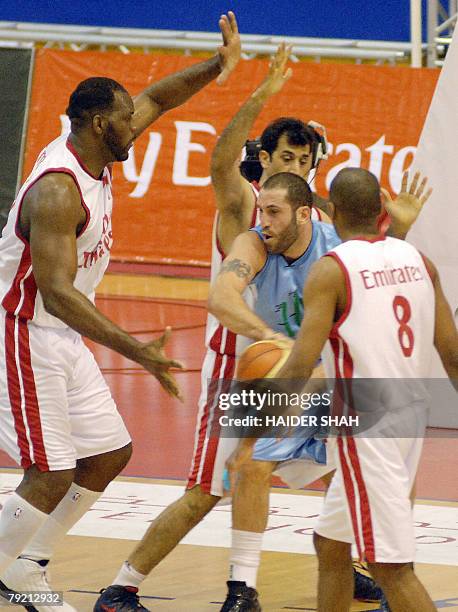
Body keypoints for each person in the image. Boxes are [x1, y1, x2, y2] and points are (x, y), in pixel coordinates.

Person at [0, 11, 241, 612]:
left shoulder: (101, 151)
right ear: (102, 123)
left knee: (108, 454)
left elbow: (160, 95)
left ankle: (26, 564)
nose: (139, 124)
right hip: (23, 329)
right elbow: (55, 292)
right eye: (128, 119)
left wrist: (218, 65)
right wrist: (137, 349)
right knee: (50, 473)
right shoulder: (58, 189)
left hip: (60, 334)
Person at [93, 45, 341, 612]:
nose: (294, 169)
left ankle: (331, 567)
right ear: (266, 156)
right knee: (207, 490)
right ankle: (121, 586)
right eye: (284, 157)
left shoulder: (315, 219)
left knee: (343, 465)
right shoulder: (244, 205)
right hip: (240, 369)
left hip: (294, 374)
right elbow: (218, 161)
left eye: (304, 161)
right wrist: (261, 95)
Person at [226, 167, 458, 612]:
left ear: (329, 210)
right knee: (331, 544)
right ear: (383, 206)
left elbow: (297, 365)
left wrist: (251, 432)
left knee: (390, 569)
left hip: (366, 426)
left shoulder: (331, 270)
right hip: (411, 415)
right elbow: (452, 355)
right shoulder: (418, 261)